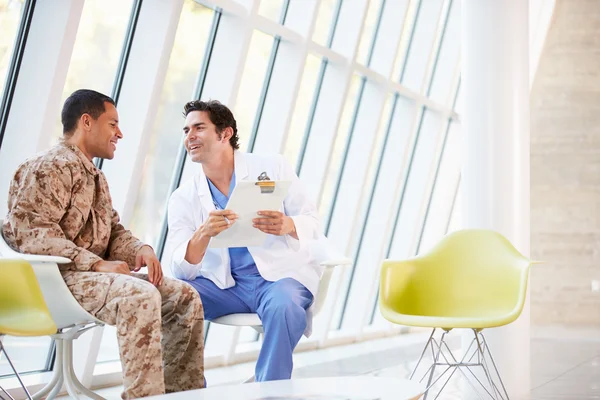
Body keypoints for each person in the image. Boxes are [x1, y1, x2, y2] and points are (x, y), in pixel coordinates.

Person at [3, 89, 205, 399]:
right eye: (113, 124)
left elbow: (112, 232)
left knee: (183, 296)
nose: (120, 133)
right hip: (52, 281)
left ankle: (182, 395)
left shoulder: (94, 176)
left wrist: (140, 249)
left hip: (88, 279)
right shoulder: (47, 168)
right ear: (86, 122)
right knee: (138, 295)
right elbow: (28, 233)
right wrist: (96, 263)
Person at [167, 100, 325, 381]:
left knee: (283, 306)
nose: (189, 136)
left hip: (278, 279)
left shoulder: (273, 166)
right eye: (186, 129)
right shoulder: (183, 198)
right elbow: (181, 270)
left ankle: (270, 392)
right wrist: (202, 234)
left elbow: (312, 222)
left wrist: (288, 224)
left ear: (225, 134)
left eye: (199, 127)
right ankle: (188, 390)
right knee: (174, 298)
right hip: (224, 286)